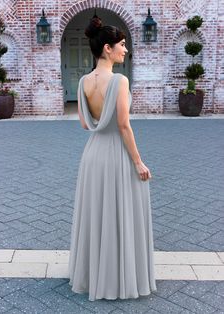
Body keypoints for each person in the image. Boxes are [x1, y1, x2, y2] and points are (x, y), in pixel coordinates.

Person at [68, 15, 157, 301]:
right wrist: (138, 162)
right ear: (107, 48)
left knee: (98, 214)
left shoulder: (83, 81)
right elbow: (123, 125)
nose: (125, 50)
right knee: (121, 212)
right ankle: (119, 276)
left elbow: (84, 124)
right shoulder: (119, 80)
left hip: (93, 155)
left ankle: (96, 276)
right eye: (121, 44)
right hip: (117, 154)